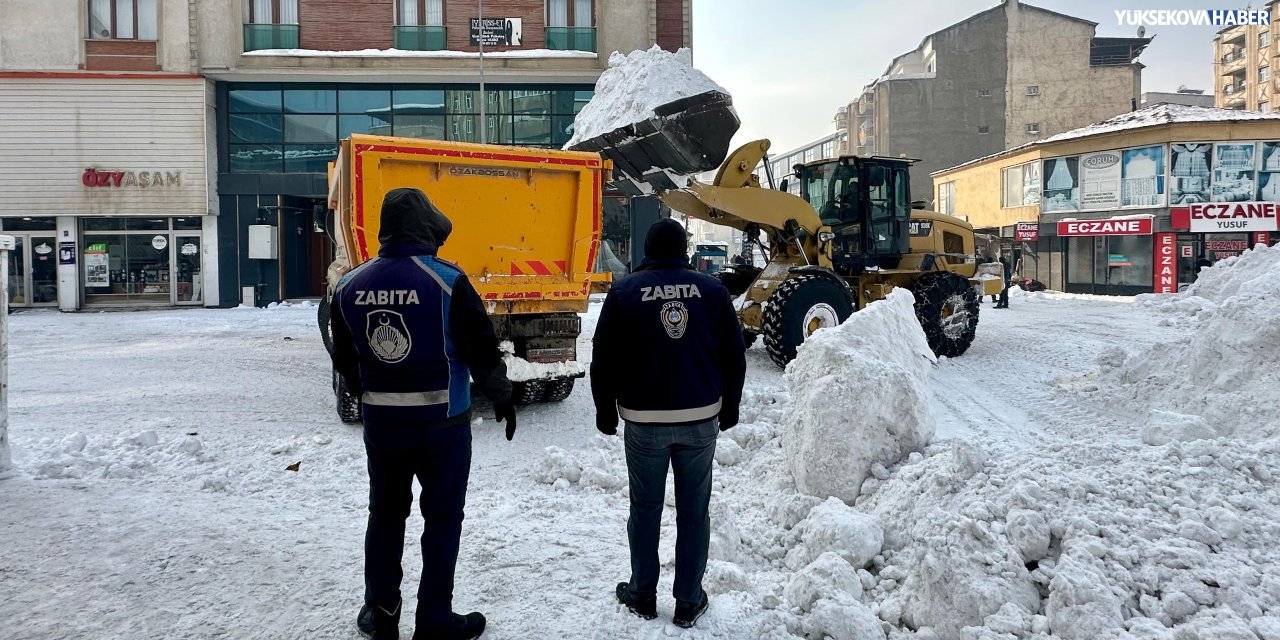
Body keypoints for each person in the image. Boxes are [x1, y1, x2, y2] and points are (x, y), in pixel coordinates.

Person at [331, 188, 517, 640]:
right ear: (427, 228)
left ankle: (382, 610)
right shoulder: (448, 281)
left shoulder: (349, 285)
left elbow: (344, 357)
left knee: (386, 514)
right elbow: (481, 349)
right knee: (443, 519)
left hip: (383, 424)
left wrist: (371, 391)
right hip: (443, 425)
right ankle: (434, 617)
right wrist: (502, 396)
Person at [591, 218, 747, 629]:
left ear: (648, 249)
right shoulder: (712, 291)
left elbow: (603, 356)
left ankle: (642, 593)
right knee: (694, 511)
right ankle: (688, 601)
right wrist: (729, 406)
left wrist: (604, 408)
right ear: (683, 250)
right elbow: (734, 354)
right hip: (699, 419)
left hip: (644, 421)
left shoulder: (624, 291)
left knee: (644, 509)